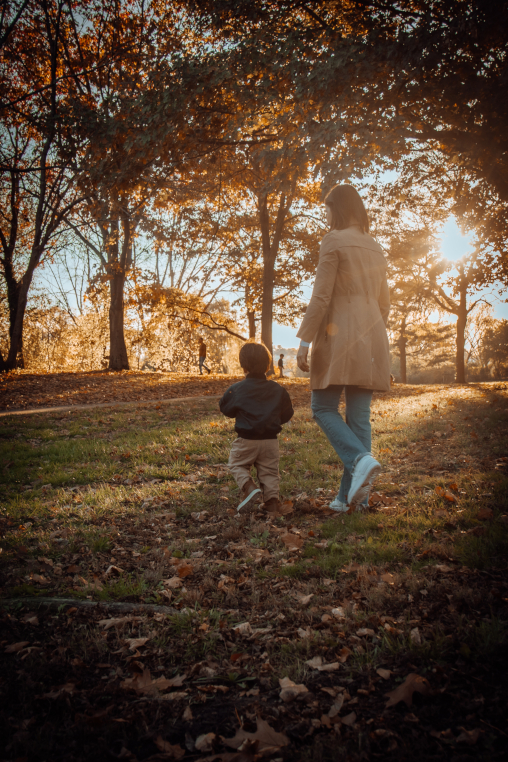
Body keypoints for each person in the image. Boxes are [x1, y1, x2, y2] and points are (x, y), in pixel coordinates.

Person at [296, 184, 390, 512]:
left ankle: (359, 460)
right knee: (359, 418)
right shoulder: (375, 246)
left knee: (322, 407)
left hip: (340, 335)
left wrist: (305, 340)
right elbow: (385, 304)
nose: (326, 216)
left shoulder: (333, 240)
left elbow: (321, 296)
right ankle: (350, 499)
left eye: (327, 209)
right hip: (372, 334)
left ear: (337, 208)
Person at [219, 341, 294, 513]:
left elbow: (225, 408)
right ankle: (272, 504)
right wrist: (272, 420)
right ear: (268, 364)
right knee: (269, 472)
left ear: (243, 365)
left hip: (247, 439)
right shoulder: (278, 390)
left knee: (236, 464)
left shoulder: (237, 390)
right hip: (270, 441)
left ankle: (249, 487)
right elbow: (287, 413)